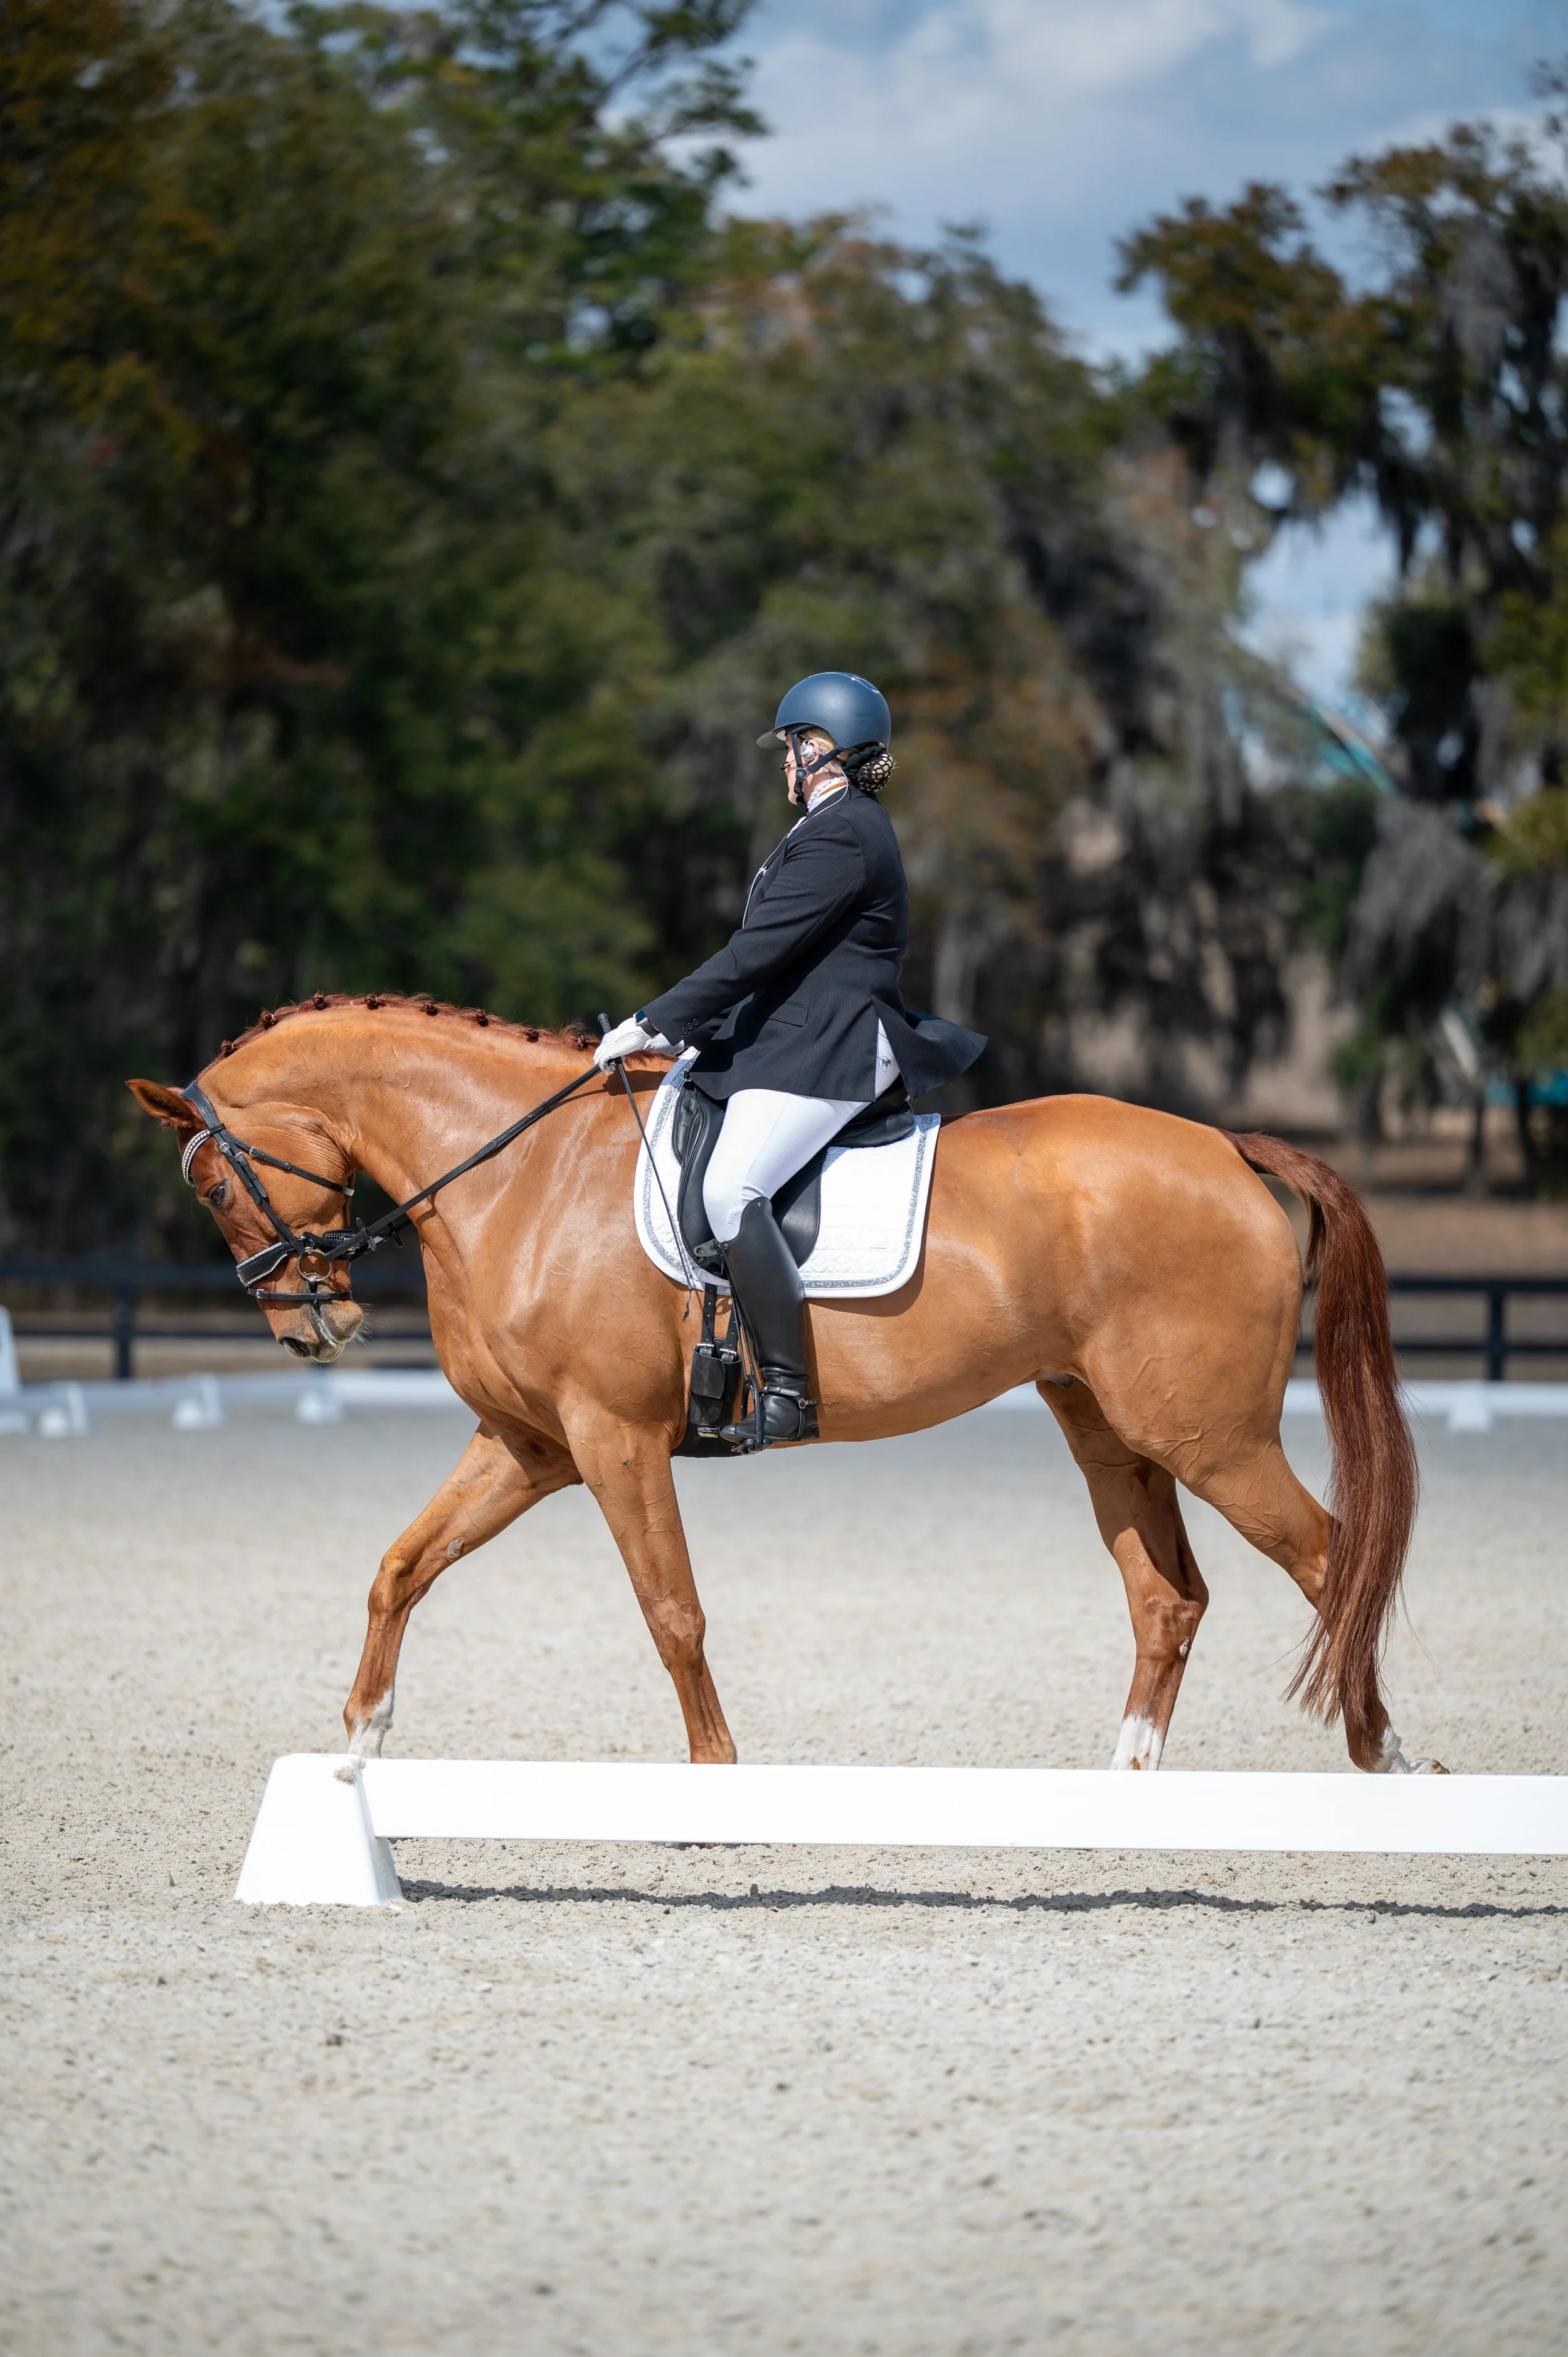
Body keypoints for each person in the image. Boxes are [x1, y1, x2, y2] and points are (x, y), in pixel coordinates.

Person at [596, 671, 985, 1442]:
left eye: (791, 748)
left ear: (824, 748)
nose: (784, 763)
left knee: (733, 1189)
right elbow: (779, 962)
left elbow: (755, 952)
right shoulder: (825, 827)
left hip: (834, 1042)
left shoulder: (843, 833)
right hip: (797, 1035)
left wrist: (655, 1017)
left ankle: (784, 1392)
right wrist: (691, 1034)